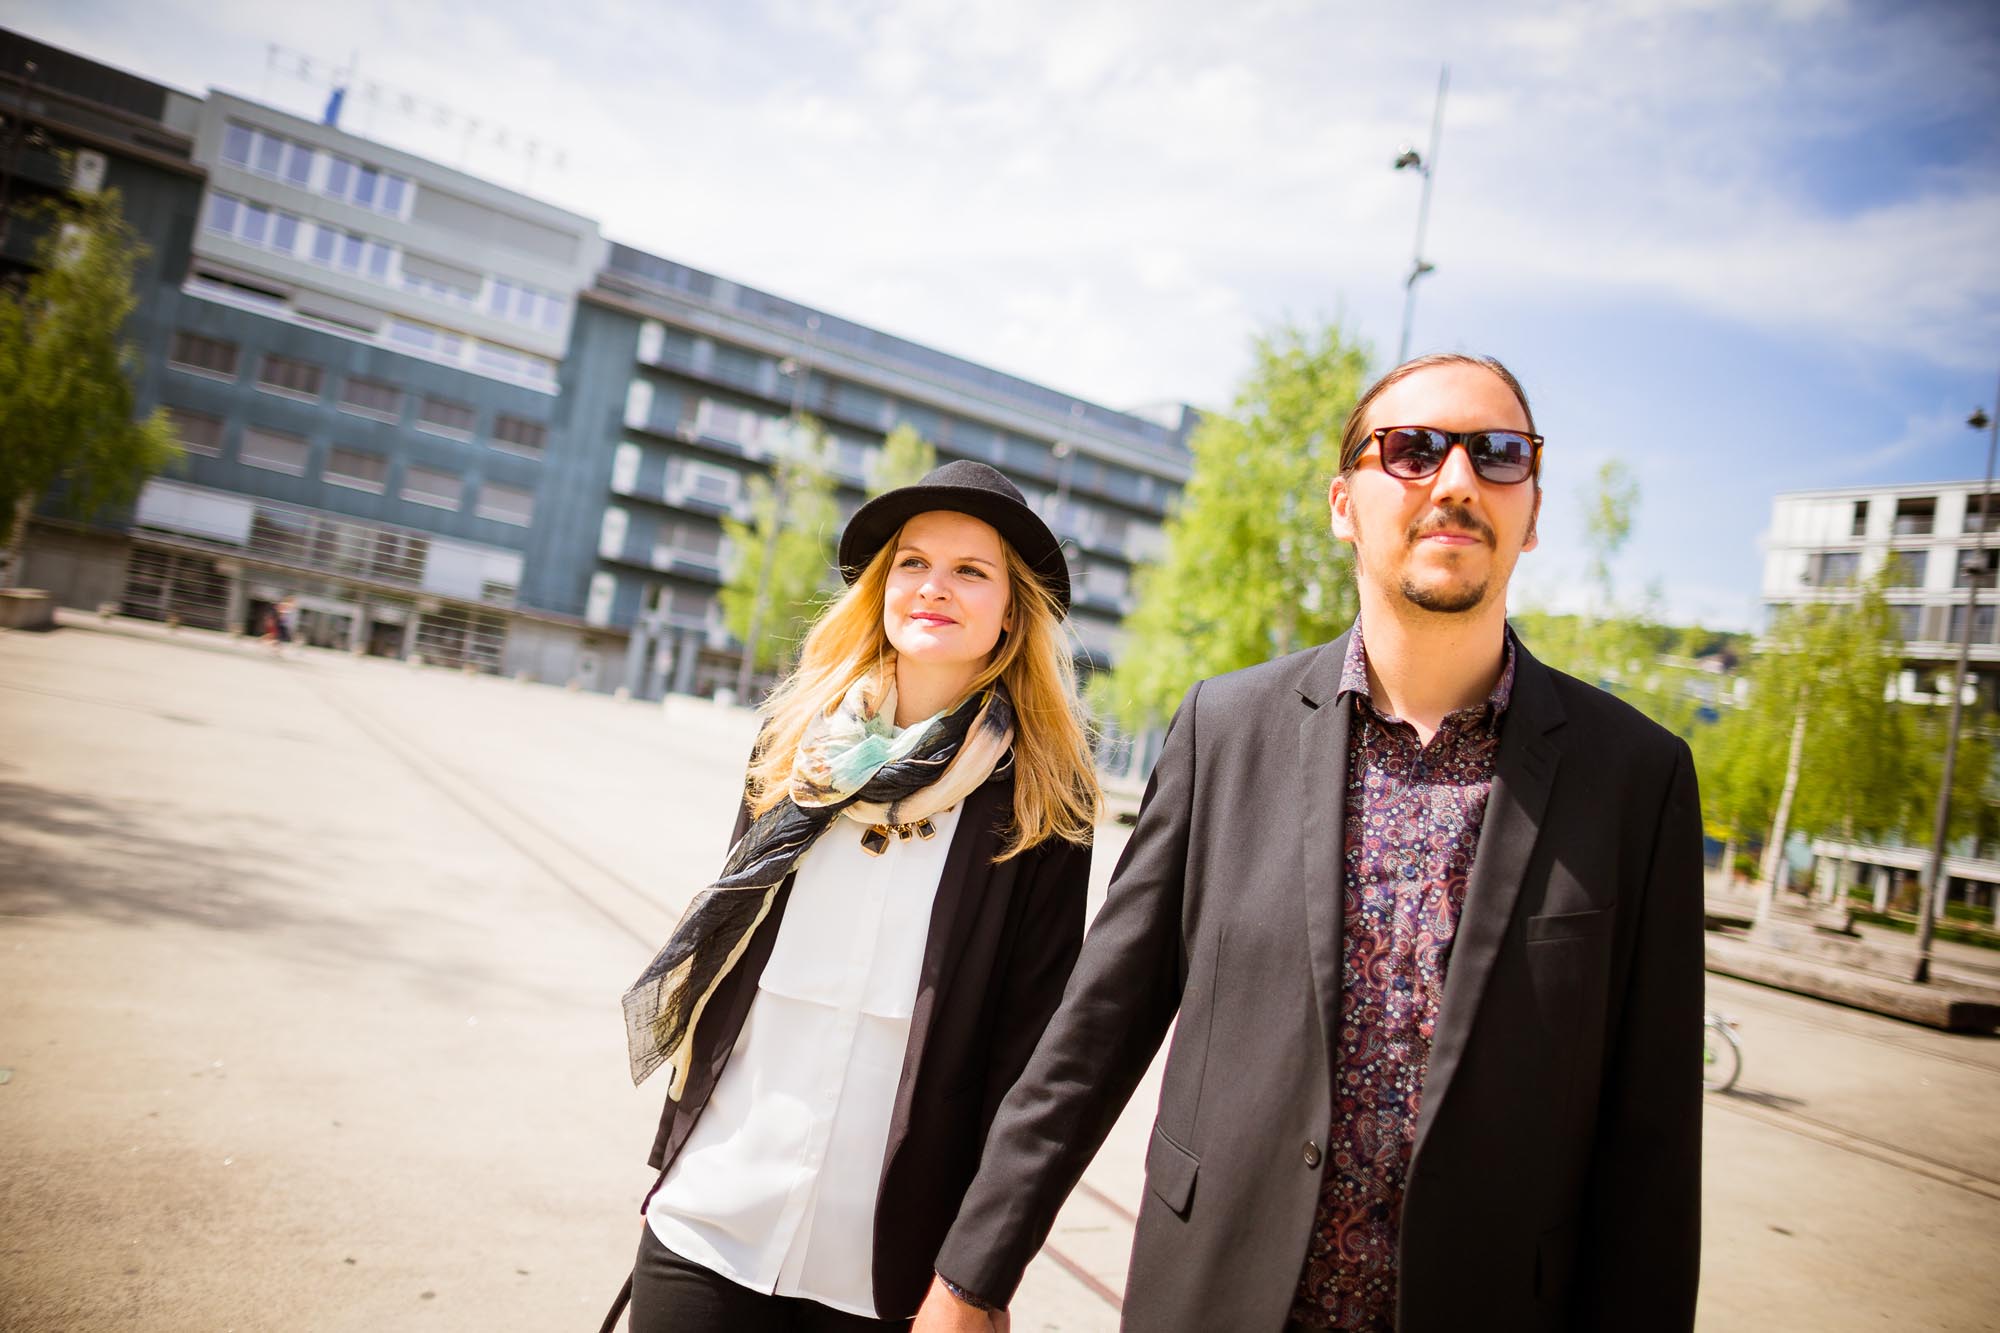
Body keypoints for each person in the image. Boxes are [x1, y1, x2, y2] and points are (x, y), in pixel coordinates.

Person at [914, 354, 1704, 1332]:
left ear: (1531, 511)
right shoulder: (1223, 728)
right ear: (1343, 503)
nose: (1455, 482)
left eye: (1497, 455)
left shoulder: (1634, 777)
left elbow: (1652, 1147)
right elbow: (1095, 1029)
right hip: (1213, 1296)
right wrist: (969, 1275)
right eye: (1413, 450)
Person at [603, 460, 1100, 1333]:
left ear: (1012, 612)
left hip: (886, 1262)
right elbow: (724, 966)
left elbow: (1035, 1061)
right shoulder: (797, 746)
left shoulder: (1045, 803)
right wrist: (674, 1161)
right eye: (911, 563)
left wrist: (979, 1275)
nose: (933, 587)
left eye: (970, 571)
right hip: (714, 1210)